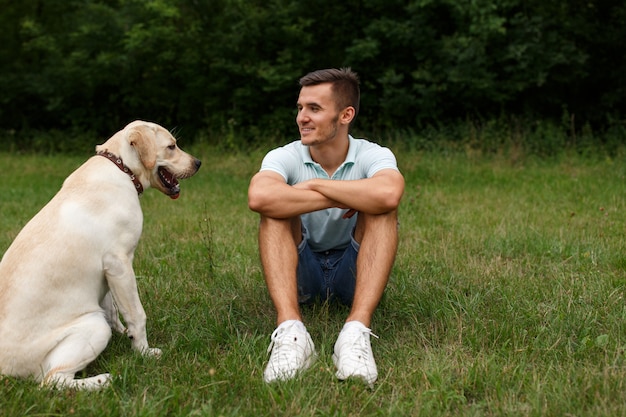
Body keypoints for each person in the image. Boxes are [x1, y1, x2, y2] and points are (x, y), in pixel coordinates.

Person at [247, 68, 404, 386]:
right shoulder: (286, 156)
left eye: (314, 109)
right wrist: (340, 194)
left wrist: (312, 188)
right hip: (304, 271)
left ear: (346, 114)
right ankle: (292, 333)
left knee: (382, 212)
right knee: (275, 212)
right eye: (300, 107)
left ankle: (355, 333)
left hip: (353, 270)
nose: (302, 117)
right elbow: (260, 196)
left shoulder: (373, 155)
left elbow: (388, 194)